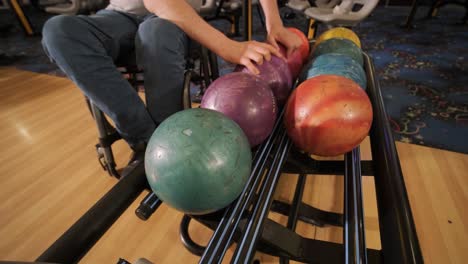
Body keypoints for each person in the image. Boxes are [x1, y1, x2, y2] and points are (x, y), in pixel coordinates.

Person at [41, 0, 302, 163]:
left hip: (176, 19)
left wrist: (274, 24)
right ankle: (151, 143)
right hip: (117, 16)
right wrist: (228, 47)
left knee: (156, 31)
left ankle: (169, 143)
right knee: (58, 30)